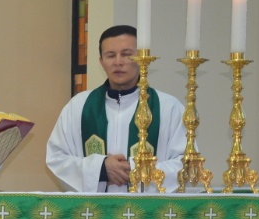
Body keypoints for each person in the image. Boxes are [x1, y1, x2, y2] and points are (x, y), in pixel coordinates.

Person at [45, 25, 186, 192]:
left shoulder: (168, 107)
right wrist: (101, 169)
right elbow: (56, 159)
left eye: (126, 55)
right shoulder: (78, 106)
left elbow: (185, 163)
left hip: (147, 214)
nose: (118, 62)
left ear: (141, 58)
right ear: (102, 62)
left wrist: (135, 169)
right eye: (110, 55)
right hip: (95, 214)